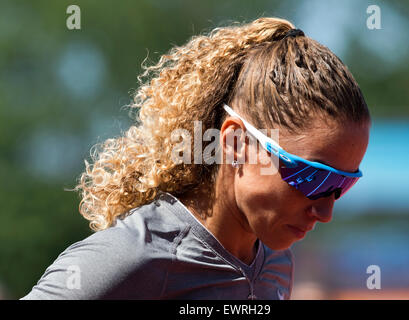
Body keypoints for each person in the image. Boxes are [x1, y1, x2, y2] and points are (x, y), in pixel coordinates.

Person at [21, 17, 370, 300]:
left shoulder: (276, 263)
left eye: (343, 185)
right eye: (313, 178)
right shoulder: (129, 259)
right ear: (236, 144)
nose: (325, 212)